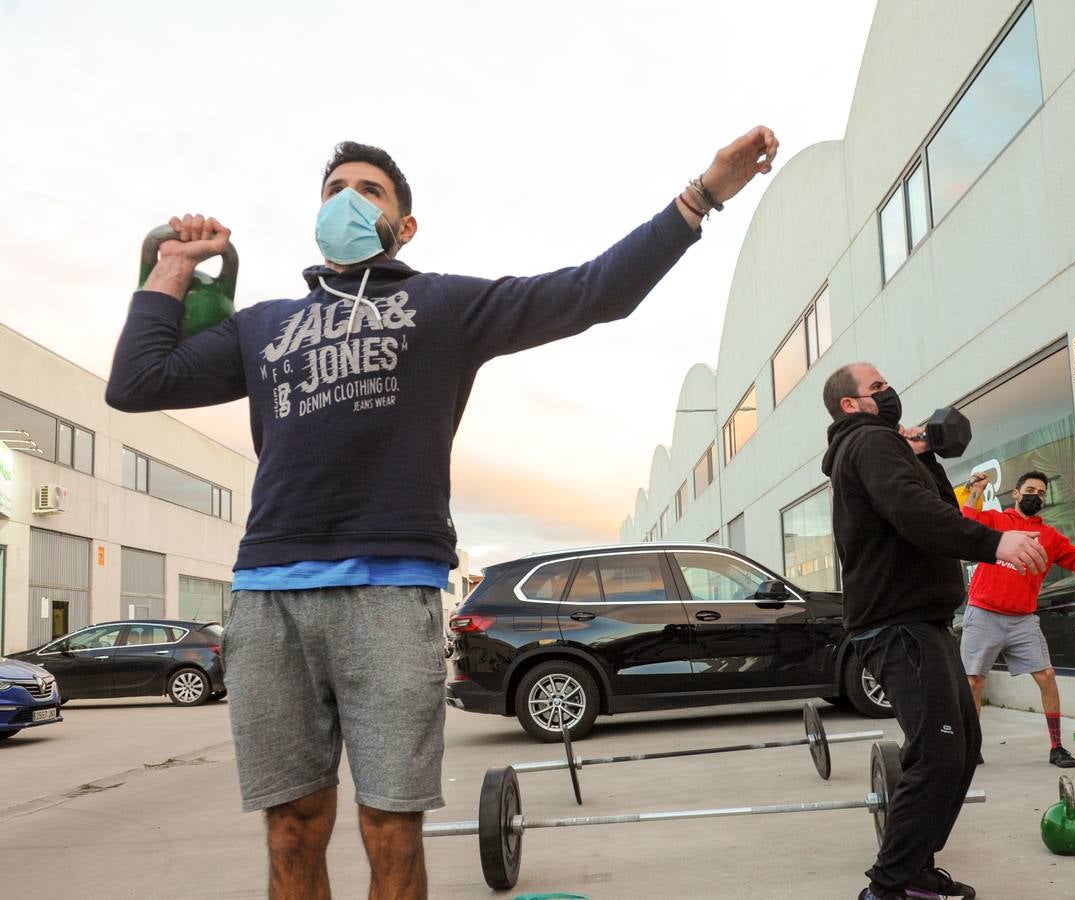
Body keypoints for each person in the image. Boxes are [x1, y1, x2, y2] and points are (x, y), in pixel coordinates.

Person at [105, 128, 778, 898]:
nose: (347, 201)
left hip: (391, 594)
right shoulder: (262, 327)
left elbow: (595, 290)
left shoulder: (444, 306)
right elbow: (137, 384)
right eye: (333, 191)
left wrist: (701, 196)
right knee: (291, 823)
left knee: (390, 825)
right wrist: (171, 265)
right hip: (270, 595)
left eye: (369, 191)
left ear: (405, 224)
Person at [821, 362, 1049, 900]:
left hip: (920, 621)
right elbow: (915, 514)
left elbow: (938, 513)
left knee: (961, 746)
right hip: (897, 623)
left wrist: (924, 457)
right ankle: (888, 887)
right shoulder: (868, 443)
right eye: (877, 387)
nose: (889, 391)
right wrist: (996, 544)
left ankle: (916, 870)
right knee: (938, 753)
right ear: (851, 404)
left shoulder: (884, 448)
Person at [959, 470, 1075, 767]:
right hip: (984, 613)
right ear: (1016, 494)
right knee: (973, 682)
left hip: (1022, 619)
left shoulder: (1050, 537)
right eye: (1030, 490)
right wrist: (976, 491)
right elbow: (967, 525)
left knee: (1047, 677)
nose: (1036, 496)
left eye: (1041, 493)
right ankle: (970, 748)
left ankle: (1057, 747)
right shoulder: (997, 520)